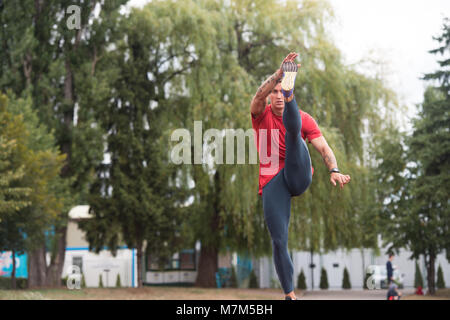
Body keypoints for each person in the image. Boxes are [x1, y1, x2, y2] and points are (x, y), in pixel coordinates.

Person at [250, 52, 351, 300]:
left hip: (298, 173)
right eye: (275, 92)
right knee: (278, 240)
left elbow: (324, 149)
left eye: (280, 91)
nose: (276, 96)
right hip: (274, 180)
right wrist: (279, 74)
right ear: (270, 95)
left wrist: (334, 169)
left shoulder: (305, 119)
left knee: (294, 135)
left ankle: (291, 90)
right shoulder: (260, 115)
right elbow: (257, 96)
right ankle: (290, 295)